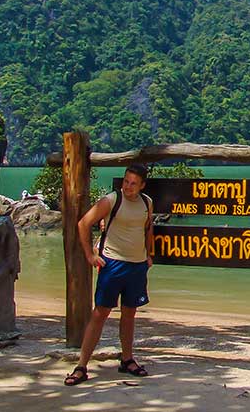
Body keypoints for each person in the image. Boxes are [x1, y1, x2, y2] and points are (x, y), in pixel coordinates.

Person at [64, 164, 154, 386]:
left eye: (133, 183)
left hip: (137, 266)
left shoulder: (147, 202)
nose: (128, 187)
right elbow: (83, 223)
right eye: (126, 181)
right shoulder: (112, 200)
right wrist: (89, 255)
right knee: (100, 313)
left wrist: (149, 255)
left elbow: (148, 228)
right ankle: (81, 366)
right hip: (113, 264)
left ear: (142, 185)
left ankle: (127, 359)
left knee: (129, 313)